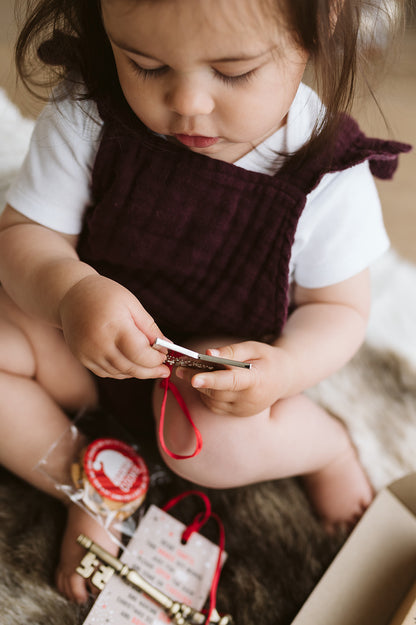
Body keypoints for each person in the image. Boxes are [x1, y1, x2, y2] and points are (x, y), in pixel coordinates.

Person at [0, 0, 410, 605]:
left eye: (234, 72)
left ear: (316, 32)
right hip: (84, 345)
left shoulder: (324, 175)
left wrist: (285, 371)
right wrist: (70, 292)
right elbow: (25, 238)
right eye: (145, 65)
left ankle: (324, 444)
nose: (188, 103)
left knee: (214, 451)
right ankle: (93, 484)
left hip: (210, 387)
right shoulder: (89, 110)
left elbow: (340, 311)